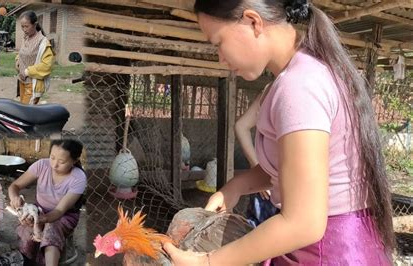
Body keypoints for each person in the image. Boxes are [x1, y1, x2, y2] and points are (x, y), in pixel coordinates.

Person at [164, 0, 394, 265]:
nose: (220, 58)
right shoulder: (304, 74)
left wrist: (207, 261)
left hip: (328, 252)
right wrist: (236, 187)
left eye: (218, 43)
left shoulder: (299, 87)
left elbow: (304, 223)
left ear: (253, 22)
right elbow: (291, 171)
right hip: (337, 244)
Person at [8, 139, 86, 265]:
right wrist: (14, 198)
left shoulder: (78, 177)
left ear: (74, 161)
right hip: (39, 209)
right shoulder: (42, 165)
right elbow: (15, 186)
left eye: (62, 162)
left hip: (64, 215)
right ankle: (27, 260)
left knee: (51, 229)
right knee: (27, 231)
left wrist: (41, 220)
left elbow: (60, 210)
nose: (54, 165)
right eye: (52, 157)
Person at [235, 90, 278, 227]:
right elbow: (240, 126)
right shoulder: (272, 90)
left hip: (269, 179)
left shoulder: (270, 89)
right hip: (276, 184)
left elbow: (241, 126)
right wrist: (258, 167)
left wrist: (258, 167)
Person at [15, 10, 54, 105]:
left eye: (26, 26)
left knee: (26, 112)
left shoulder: (43, 42)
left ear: (35, 24)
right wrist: (17, 63)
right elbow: (21, 54)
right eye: (22, 27)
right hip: (22, 81)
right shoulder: (26, 38)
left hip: (32, 84)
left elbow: (46, 65)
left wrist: (26, 72)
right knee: (22, 108)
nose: (24, 29)